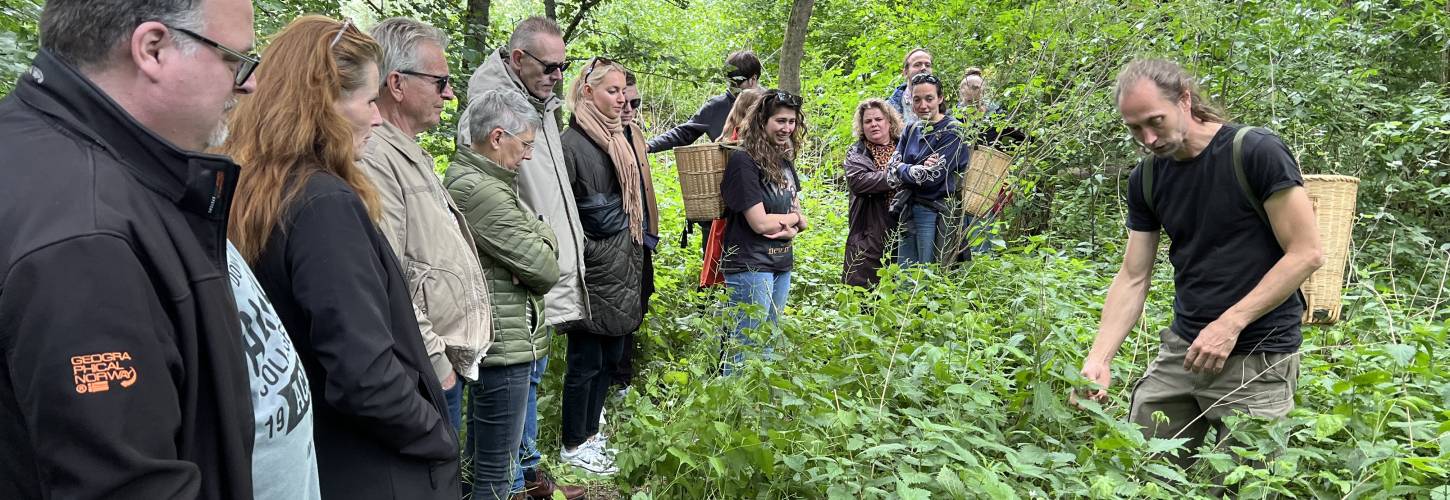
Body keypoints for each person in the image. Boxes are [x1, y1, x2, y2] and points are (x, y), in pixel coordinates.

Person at [0, 0, 266, 497]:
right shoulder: (87, 241)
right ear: (153, 49)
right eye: (235, 59)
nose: (248, 83)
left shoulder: (32, 144)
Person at [222, 16, 460, 499]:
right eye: (369, 100)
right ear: (321, 104)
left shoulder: (252, 187)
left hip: (322, 455)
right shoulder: (322, 204)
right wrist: (436, 437)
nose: (376, 117)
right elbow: (364, 376)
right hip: (375, 468)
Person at [1074, 59, 1324, 471]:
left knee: (1244, 484)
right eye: (1135, 128)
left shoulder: (1255, 151)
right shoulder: (1148, 179)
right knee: (1143, 470)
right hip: (1183, 350)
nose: (1149, 138)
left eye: (1156, 121)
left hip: (1257, 358)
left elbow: (1306, 252)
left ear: (1185, 100)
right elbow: (1134, 276)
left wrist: (1229, 324)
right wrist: (1099, 358)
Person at [458, 17, 587, 497]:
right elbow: (501, 202)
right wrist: (542, 243)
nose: (558, 75)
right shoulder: (493, 106)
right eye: (550, 66)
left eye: (563, 66)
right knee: (515, 384)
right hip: (516, 279)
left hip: (531, 268)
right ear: (518, 59)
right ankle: (515, 481)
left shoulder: (540, 102)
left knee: (527, 377)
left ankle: (525, 473)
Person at [359, 17, 487, 432]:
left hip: (439, 363)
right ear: (396, 85)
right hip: (425, 370)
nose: (449, 94)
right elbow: (385, 275)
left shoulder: (405, 150)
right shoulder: (375, 156)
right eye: (440, 82)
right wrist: (437, 364)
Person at [558, 58, 659, 476]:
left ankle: (592, 433)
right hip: (595, 270)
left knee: (613, 352)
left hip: (625, 264)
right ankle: (572, 443)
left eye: (623, 91)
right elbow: (569, 214)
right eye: (611, 91)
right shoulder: (572, 144)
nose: (621, 100)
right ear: (587, 92)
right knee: (586, 360)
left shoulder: (619, 138)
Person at [719, 89, 808, 374]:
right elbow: (758, 222)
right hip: (750, 263)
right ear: (762, 121)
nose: (787, 128)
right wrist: (790, 222)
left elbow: (801, 217)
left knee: (768, 340)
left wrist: (787, 223)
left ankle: (755, 410)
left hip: (781, 260)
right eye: (780, 121)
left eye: (791, 122)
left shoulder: (783, 161)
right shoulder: (744, 162)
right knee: (745, 342)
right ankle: (731, 410)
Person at [889, 73, 969, 266]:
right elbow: (890, 173)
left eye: (929, 98)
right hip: (907, 208)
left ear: (940, 99)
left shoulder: (952, 130)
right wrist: (915, 169)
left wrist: (903, 168)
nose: (923, 105)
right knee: (905, 272)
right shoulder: (910, 129)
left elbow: (930, 179)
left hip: (934, 211)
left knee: (928, 271)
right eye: (917, 99)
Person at [646, 49, 763, 153]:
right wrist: (650, 145)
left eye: (737, 83)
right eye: (730, 82)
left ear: (753, 79)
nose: (732, 88)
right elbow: (684, 132)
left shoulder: (770, 103)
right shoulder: (716, 106)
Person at [842, 99, 904, 287]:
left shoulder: (906, 147)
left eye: (878, 119)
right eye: (868, 121)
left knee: (900, 286)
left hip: (905, 224)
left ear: (889, 121)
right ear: (862, 126)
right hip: (869, 228)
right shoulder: (857, 152)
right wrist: (901, 174)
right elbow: (859, 181)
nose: (874, 124)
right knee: (864, 288)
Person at [887, 48, 933, 127]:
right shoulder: (889, 108)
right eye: (917, 65)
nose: (923, 68)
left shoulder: (940, 103)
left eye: (927, 65)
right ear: (905, 72)